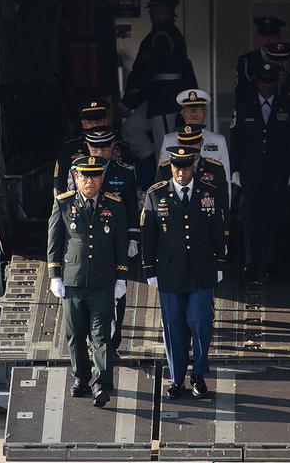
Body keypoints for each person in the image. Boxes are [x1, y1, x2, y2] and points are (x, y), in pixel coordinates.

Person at [141, 146, 227, 400]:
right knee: (173, 326)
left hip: (201, 271)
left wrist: (220, 263)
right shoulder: (156, 194)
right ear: (171, 168)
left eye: (186, 167)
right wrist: (149, 269)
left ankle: (198, 375)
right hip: (170, 272)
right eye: (177, 168)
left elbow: (218, 229)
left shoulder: (208, 193)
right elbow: (149, 235)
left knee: (201, 323)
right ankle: (177, 378)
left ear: (193, 168)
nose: (181, 173)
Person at [47, 155, 129, 408]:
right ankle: (81, 377)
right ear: (76, 178)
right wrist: (55, 276)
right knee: (74, 334)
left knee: (101, 336)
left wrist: (121, 277)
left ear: (101, 178)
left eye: (94, 176)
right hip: (72, 283)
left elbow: (120, 244)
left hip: (102, 283)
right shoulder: (63, 204)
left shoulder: (114, 205)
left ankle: (102, 386)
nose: (89, 181)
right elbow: (54, 242)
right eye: (85, 176)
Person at [69, 127, 141, 353]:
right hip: (90, 244)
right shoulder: (78, 172)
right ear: (88, 147)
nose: (99, 151)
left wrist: (133, 238)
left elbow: (131, 207)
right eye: (95, 147)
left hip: (116, 244)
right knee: (90, 296)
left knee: (118, 293)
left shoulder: (125, 172)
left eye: (104, 147)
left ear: (113, 148)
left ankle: (113, 342)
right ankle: (95, 342)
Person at [230, 62, 290, 280]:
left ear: (276, 82)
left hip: (277, 173)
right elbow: (236, 141)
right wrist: (235, 170)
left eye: (270, 81)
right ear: (256, 82)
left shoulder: (287, 106)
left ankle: (269, 262)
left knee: (273, 217)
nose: (266, 86)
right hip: (251, 173)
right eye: (263, 81)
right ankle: (251, 263)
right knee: (251, 219)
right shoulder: (244, 107)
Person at [121, 0, 197, 159]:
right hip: (155, 98)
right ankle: (152, 170)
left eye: (157, 9)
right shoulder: (158, 35)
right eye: (154, 9)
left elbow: (148, 70)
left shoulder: (164, 35)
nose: (153, 13)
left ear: (166, 11)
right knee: (131, 129)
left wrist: (129, 101)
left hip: (165, 100)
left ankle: (167, 181)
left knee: (166, 146)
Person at [158, 89, 232, 203]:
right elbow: (163, 180)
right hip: (177, 204)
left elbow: (225, 181)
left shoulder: (218, 141)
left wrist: (225, 215)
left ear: (205, 112)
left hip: (208, 204)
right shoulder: (170, 140)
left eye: (198, 109)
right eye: (188, 109)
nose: (193, 113)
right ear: (182, 113)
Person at [54, 100, 134, 195]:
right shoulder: (70, 147)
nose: (95, 125)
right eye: (90, 122)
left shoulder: (120, 147)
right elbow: (59, 183)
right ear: (83, 123)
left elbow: (130, 181)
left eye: (98, 120)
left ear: (106, 121)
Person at [156, 124, 231, 208]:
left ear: (202, 143)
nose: (188, 148)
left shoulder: (215, 168)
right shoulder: (165, 169)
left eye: (193, 144)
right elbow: (157, 201)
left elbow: (223, 204)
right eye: (185, 144)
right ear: (178, 143)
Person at [235, 17, 290, 101]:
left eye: (272, 35)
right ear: (258, 37)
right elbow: (241, 91)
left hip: (285, 106)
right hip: (255, 109)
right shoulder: (246, 60)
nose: (268, 39)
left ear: (279, 36)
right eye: (264, 35)